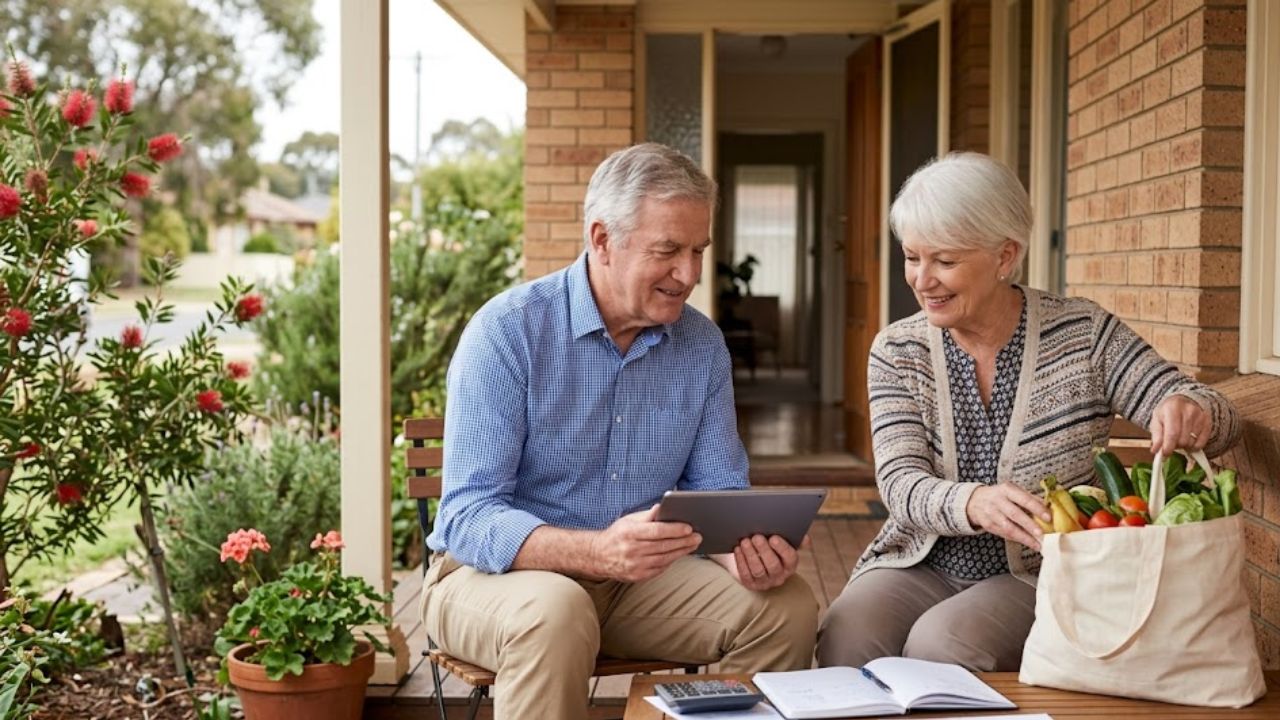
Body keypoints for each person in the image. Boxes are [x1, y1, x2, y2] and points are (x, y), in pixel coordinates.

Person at [422, 142, 818, 719]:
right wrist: (597, 551)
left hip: (637, 585)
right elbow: (467, 517)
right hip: (493, 580)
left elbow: (716, 495)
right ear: (602, 240)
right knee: (555, 609)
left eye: (698, 250)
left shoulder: (701, 345)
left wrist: (745, 553)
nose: (689, 274)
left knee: (786, 607)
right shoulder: (507, 332)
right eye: (668, 251)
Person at [816, 152, 1240, 672]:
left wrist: (1189, 407)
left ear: (1004, 256)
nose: (922, 280)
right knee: (847, 630)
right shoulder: (898, 350)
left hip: (1044, 570)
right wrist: (973, 503)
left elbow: (1205, 407)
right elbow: (901, 484)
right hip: (921, 559)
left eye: (944, 261)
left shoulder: (1083, 334)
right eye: (912, 257)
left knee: (943, 645)